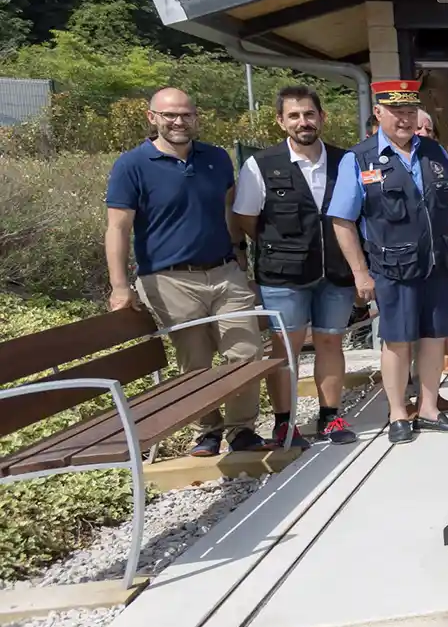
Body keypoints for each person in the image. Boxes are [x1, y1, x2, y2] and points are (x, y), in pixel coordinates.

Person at [107, 87, 270, 456]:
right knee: (195, 360)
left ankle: (241, 430)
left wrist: (239, 252)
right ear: (152, 118)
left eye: (185, 114)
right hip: (168, 279)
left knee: (245, 350)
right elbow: (117, 227)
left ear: (196, 117)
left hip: (224, 272)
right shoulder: (131, 165)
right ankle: (207, 432)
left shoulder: (215, 158)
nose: (178, 121)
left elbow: (230, 210)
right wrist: (119, 287)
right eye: (169, 115)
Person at [329, 79, 448, 444]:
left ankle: (429, 408)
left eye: (410, 112)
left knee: (435, 338)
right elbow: (343, 220)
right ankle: (397, 413)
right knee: (397, 341)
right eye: (396, 112)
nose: (404, 120)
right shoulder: (358, 159)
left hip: (438, 264)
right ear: (378, 113)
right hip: (393, 267)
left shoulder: (434, 153)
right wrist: (361, 272)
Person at [232, 84, 358, 448]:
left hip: (335, 272)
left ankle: (330, 416)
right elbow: (245, 217)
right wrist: (281, 246)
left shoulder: (344, 161)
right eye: (294, 115)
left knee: (331, 342)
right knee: (284, 348)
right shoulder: (261, 164)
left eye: (309, 114)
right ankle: (285, 424)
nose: (303, 121)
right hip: (283, 275)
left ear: (322, 117)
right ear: (280, 121)